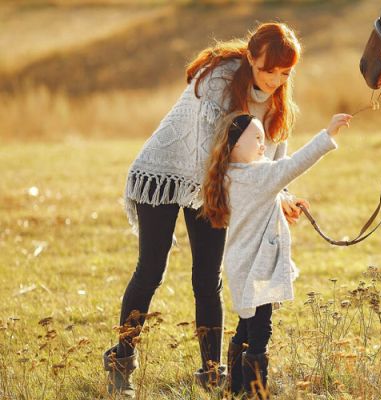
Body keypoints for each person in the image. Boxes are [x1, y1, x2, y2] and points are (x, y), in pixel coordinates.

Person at [103, 22, 311, 397]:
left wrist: (282, 197)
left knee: (207, 277)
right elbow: (208, 156)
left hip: (216, 183)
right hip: (167, 171)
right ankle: (121, 359)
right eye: (268, 70)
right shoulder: (218, 79)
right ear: (251, 57)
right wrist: (258, 193)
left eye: (284, 73)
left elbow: (270, 166)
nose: (275, 80)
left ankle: (212, 372)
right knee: (151, 269)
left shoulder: (280, 104)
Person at [203, 111, 350, 398]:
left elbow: (262, 196)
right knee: (260, 332)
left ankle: (234, 387)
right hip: (258, 266)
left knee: (246, 326)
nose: (263, 144)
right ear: (234, 145)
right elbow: (293, 165)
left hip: (240, 264)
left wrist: (284, 199)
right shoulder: (259, 175)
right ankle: (256, 392)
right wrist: (328, 134)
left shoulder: (229, 176)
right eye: (256, 138)